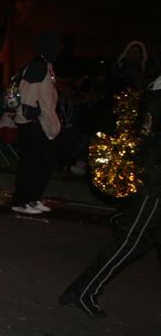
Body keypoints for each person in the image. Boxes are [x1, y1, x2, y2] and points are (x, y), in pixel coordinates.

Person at [59, 73, 161, 317]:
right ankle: (83, 290)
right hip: (155, 184)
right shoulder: (158, 100)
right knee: (133, 241)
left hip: (153, 178)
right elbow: (149, 142)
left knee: (141, 240)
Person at [11, 31, 63, 215]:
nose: (60, 46)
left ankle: (32, 198)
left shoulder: (47, 67)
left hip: (43, 123)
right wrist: (31, 118)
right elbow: (30, 93)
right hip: (34, 124)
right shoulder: (37, 66)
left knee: (44, 164)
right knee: (30, 164)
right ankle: (21, 200)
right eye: (57, 42)